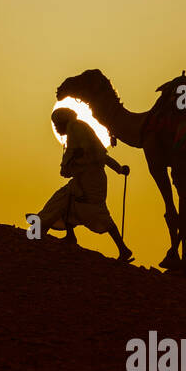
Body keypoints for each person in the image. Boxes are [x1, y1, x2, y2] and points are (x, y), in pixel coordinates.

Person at [37, 107, 133, 262]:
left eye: (56, 124)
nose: (55, 127)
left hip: (91, 180)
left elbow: (95, 154)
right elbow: (101, 155)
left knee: (97, 212)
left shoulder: (76, 128)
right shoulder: (76, 131)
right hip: (84, 179)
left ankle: (123, 249)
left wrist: (119, 169)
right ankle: (67, 235)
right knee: (64, 199)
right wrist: (119, 169)